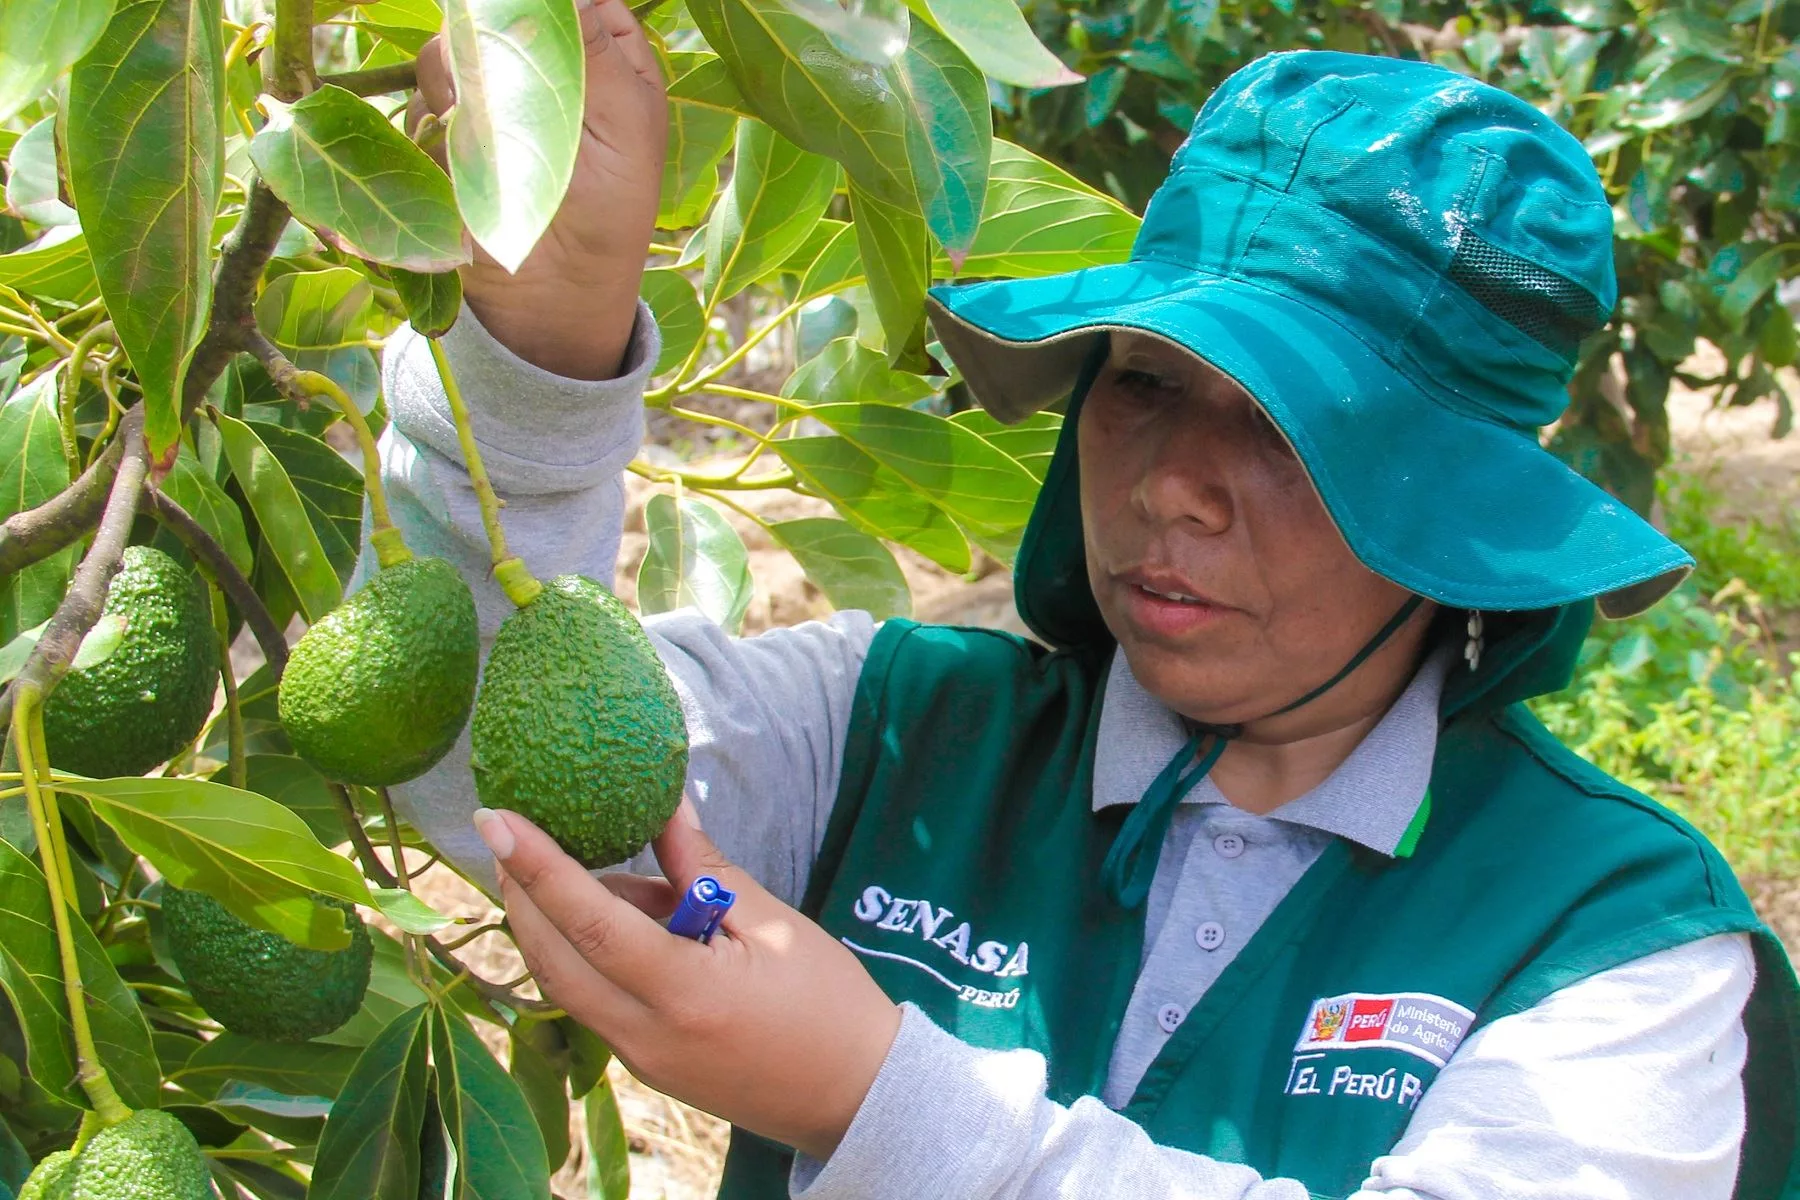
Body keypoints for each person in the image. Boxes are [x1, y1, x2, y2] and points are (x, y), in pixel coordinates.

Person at [379, 9, 1800, 1198]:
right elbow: (488, 758)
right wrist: (540, 350)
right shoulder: (886, 732)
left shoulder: (1614, 939)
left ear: (1452, 523)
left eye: (1292, 430)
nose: (1175, 484)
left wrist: (881, 1101)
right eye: (1146, 381)